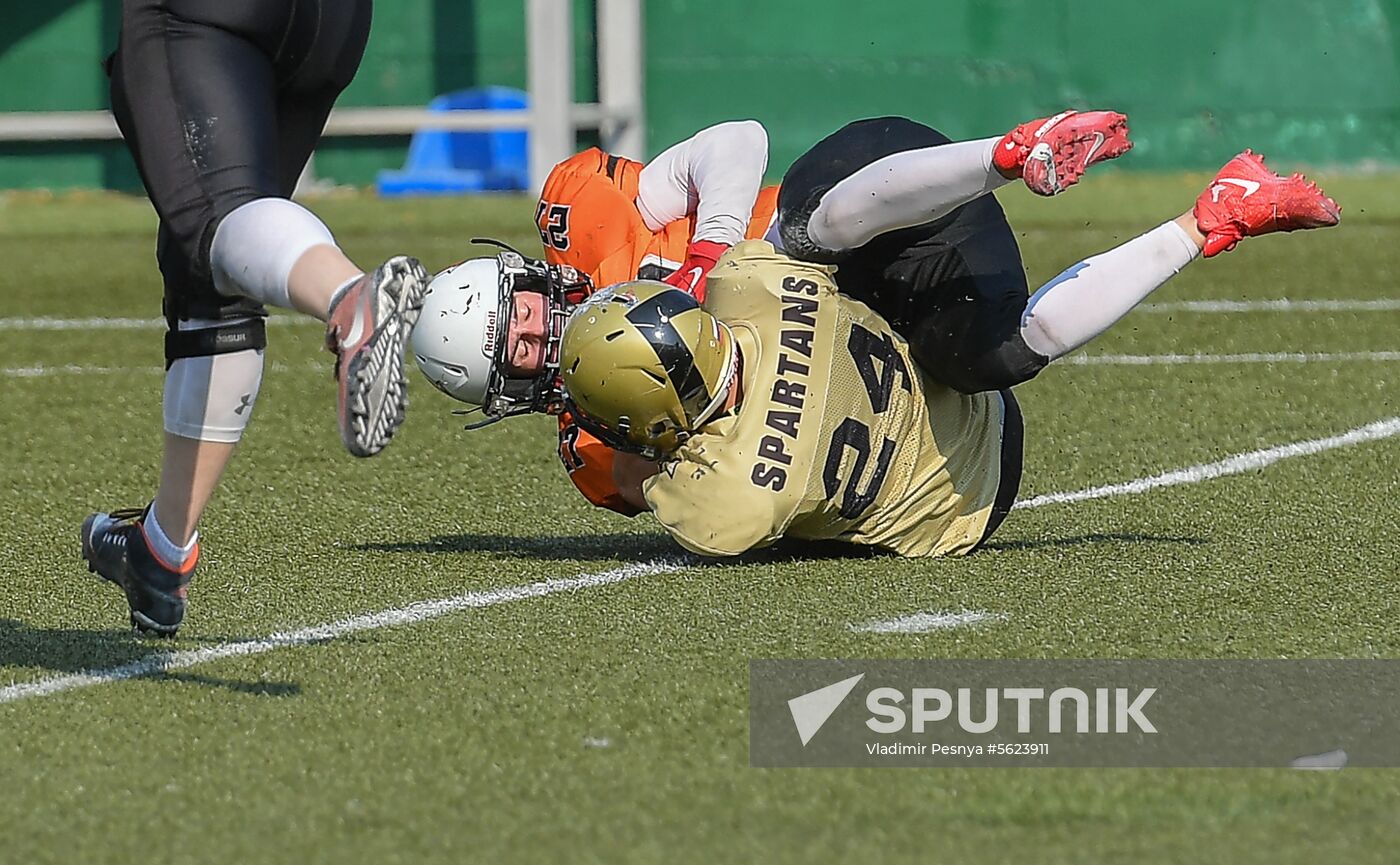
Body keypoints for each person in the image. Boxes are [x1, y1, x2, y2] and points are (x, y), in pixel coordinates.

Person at [555, 142, 1340, 556]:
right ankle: (1003, 155)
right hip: (872, 176)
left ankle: (1201, 223)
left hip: (968, 491)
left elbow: (671, 483)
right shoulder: (749, 286)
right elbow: (744, 159)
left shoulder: (726, 504)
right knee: (806, 233)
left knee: (1007, 347)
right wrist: (704, 264)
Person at [413, 110, 1131, 512]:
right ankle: (1206, 223)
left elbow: (739, 141)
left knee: (814, 226)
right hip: (869, 353)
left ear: (530, 277)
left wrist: (706, 261)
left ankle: (1010, 155)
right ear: (515, 391)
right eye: (528, 351)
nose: (551, 331)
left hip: (848, 240)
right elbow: (692, 485)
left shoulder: (588, 215)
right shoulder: (595, 447)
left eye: (531, 313)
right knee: (997, 356)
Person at [80, 0, 430, 636]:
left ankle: (350, 300)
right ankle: (162, 549)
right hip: (337, 24)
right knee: (216, 263)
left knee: (219, 218)